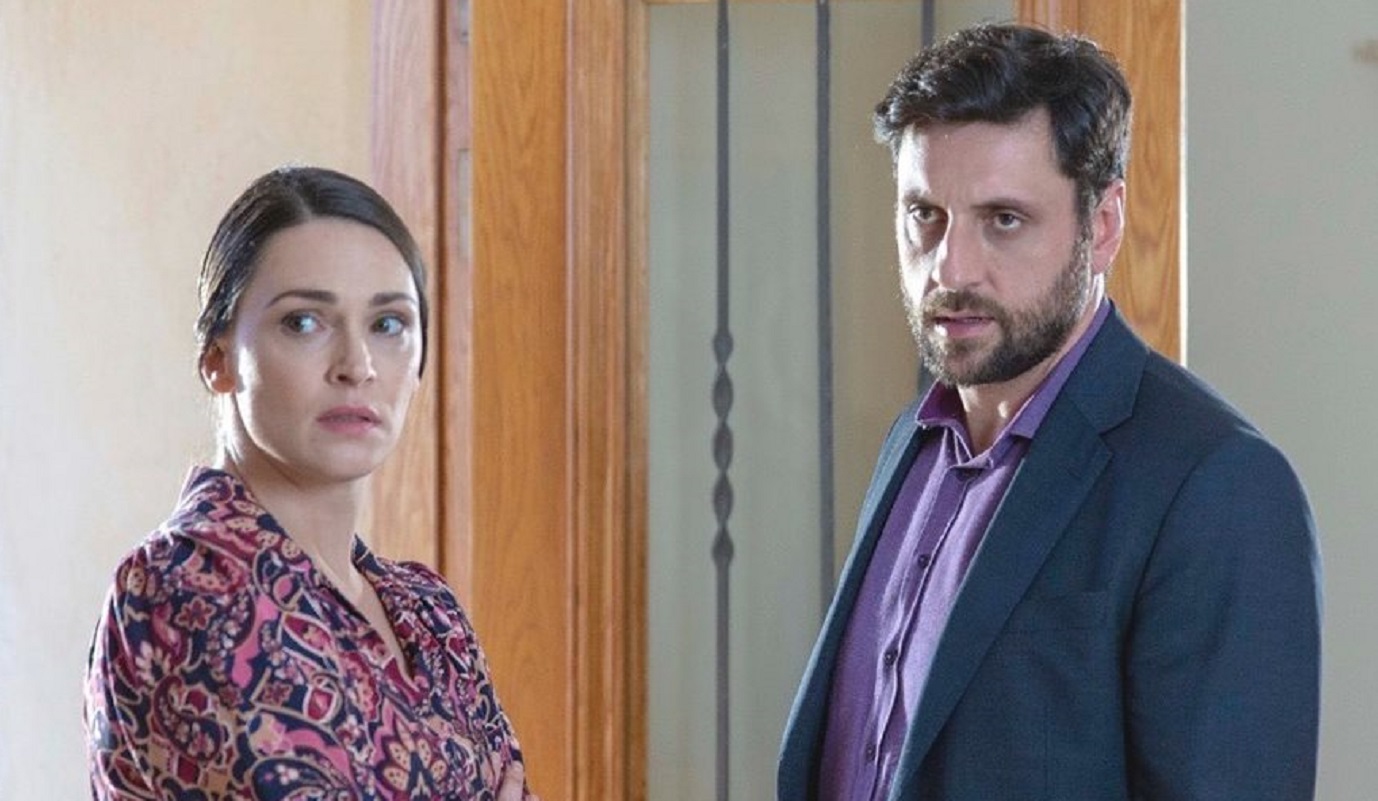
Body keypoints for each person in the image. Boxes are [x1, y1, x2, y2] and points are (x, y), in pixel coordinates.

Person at [778, 23, 1321, 800]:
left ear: (1103, 225)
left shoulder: (1218, 484)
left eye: (1003, 219)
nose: (951, 269)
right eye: (925, 215)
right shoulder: (916, 440)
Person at [85, 166, 537, 800]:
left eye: (388, 324)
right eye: (304, 322)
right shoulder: (179, 587)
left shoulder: (431, 614)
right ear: (217, 359)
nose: (357, 365)